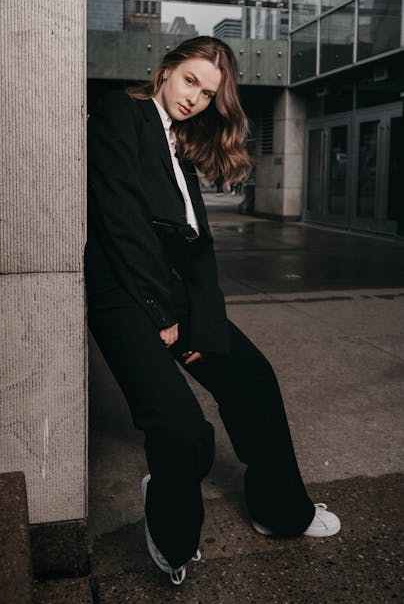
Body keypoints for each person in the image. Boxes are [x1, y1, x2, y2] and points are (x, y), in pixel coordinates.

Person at [85, 36, 340, 586]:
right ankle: (173, 538)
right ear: (166, 70)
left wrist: (200, 319)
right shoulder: (121, 113)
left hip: (170, 292)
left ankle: (280, 512)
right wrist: (159, 313)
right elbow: (120, 219)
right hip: (124, 294)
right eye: (190, 81)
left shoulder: (180, 141)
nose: (195, 98)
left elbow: (195, 247)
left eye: (208, 92)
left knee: (253, 380)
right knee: (181, 430)